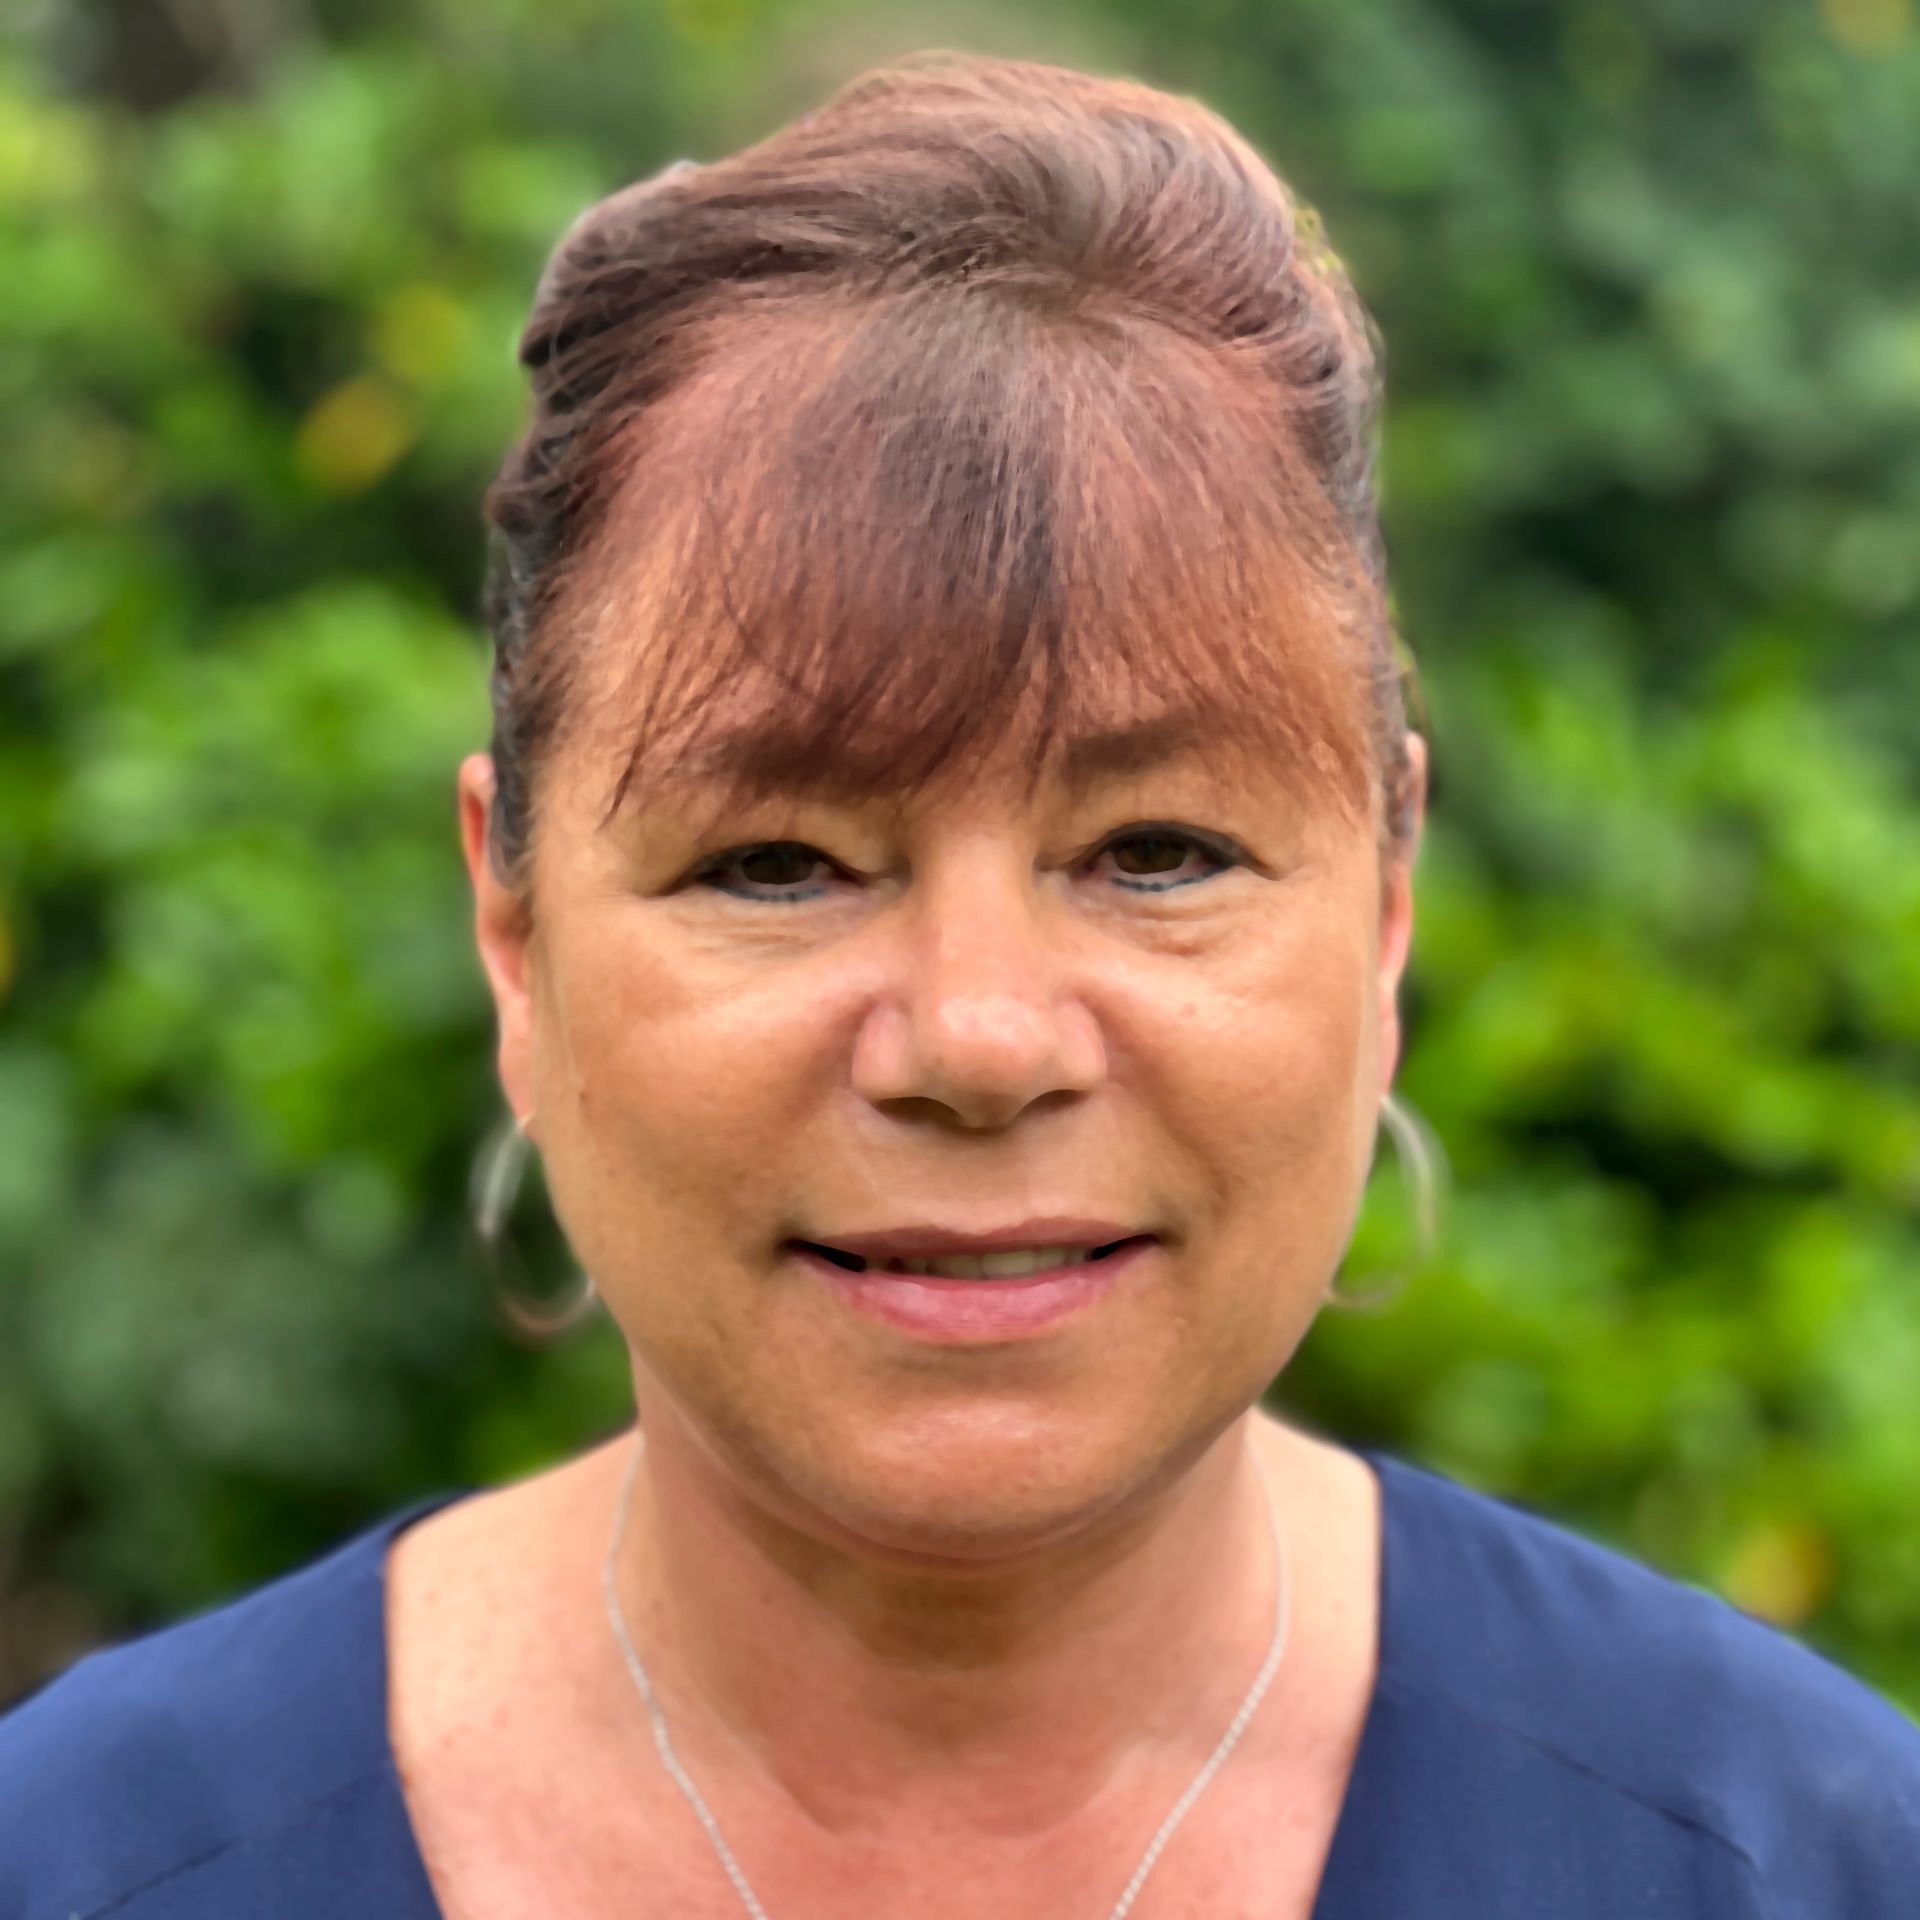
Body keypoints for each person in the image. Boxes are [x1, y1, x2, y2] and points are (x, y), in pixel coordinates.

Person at [4, 48, 1916, 1920]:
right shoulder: (87, 1865)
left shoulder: (1799, 1859)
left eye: (1158, 854)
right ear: (516, 934)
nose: (981, 1040)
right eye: (777, 865)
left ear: (1390, 906)